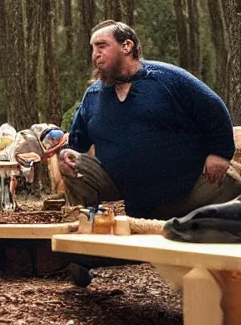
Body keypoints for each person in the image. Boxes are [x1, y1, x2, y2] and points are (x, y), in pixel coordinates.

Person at [58, 20, 241, 220]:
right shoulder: (93, 96)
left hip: (192, 189)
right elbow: (78, 141)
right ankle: (86, 224)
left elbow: (213, 108)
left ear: (127, 46)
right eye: (93, 48)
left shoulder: (167, 78)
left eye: (102, 46)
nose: (95, 54)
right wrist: (67, 150)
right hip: (133, 196)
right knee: (71, 162)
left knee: (220, 219)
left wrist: (220, 153)